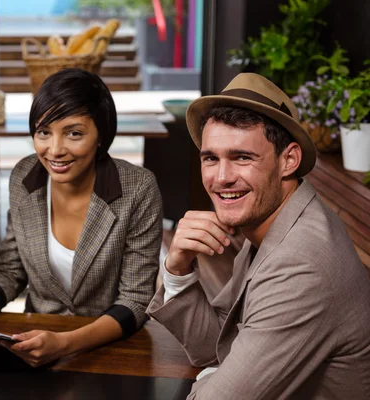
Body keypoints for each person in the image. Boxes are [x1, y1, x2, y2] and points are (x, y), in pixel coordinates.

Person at [147, 73, 370, 399]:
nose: (221, 178)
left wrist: (214, 376)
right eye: (211, 158)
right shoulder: (276, 221)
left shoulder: (299, 265)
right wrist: (177, 269)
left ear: (289, 160)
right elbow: (214, 346)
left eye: (242, 157)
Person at [0, 68, 163, 367]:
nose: (55, 150)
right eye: (44, 132)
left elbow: (135, 301)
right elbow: (9, 273)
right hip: (34, 347)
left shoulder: (137, 188)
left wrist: (65, 344)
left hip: (113, 349)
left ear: (101, 135)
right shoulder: (25, 177)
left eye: (74, 133)